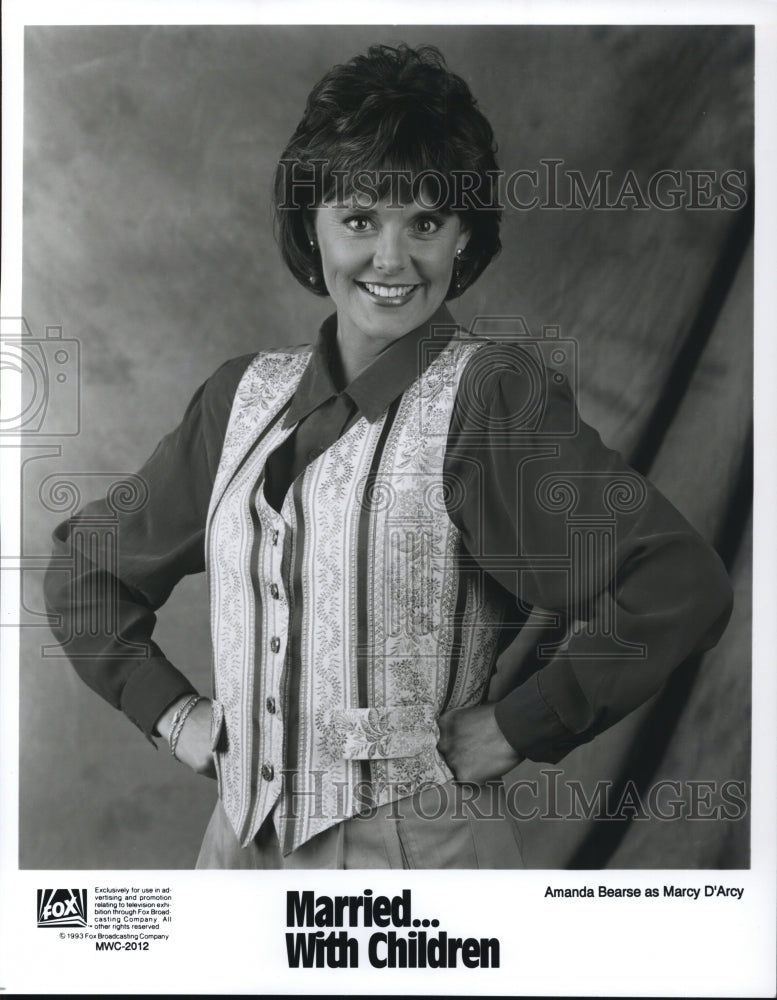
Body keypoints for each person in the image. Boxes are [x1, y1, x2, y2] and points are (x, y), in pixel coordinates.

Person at [44, 43, 733, 869]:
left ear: (463, 235)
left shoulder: (488, 401)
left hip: (417, 857)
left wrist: (522, 724)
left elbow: (675, 582)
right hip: (235, 857)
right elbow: (86, 571)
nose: (392, 260)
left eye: (427, 222)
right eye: (361, 218)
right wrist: (170, 710)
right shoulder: (238, 400)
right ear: (312, 223)